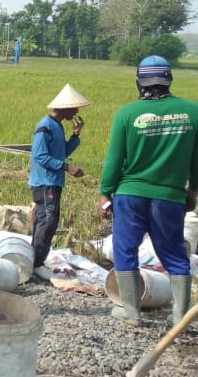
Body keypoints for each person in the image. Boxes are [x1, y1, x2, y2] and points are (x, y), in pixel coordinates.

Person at [98, 55, 198, 327]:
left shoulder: (127, 114)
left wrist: (105, 192)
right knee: (176, 255)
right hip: (170, 196)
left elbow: (115, 160)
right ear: (168, 80)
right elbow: (196, 161)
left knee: (125, 250)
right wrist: (194, 190)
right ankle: (178, 319)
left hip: (130, 195)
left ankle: (132, 313)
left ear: (140, 82)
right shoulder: (193, 112)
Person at [29, 84, 89, 281]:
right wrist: (66, 167)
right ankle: (35, 263)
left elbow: (62, 152)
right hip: (44, 182)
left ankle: (35, 261)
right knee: (48, 222)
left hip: (52, 181)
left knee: (45, 221)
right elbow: (39, 155)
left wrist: (76, 135)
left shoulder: (58, 126)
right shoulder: (45, 125)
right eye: (75, 108)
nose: (77, 111)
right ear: (65, 108)